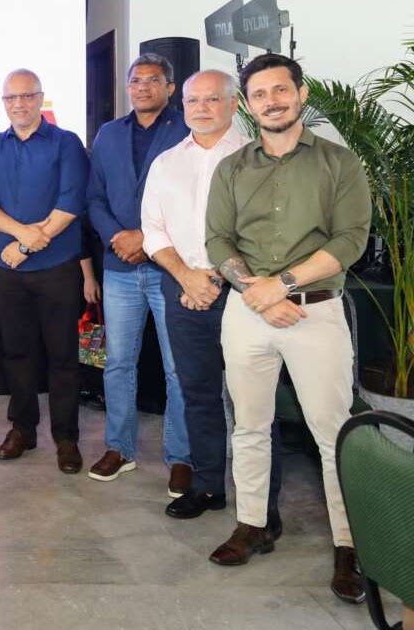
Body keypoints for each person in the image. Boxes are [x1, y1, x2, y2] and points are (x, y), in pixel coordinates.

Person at [205, 53, 371, 604]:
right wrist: (256, 291)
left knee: (333, 432)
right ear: (247, 105)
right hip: (247, 312)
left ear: (300, 94)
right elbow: (218, 241)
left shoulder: (339, 163)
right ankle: (253, 525)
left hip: (315, 312)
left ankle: (352, 546)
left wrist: (283, 284)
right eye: (260, 94)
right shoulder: (231, 168)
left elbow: (350, 240)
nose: (271, 101)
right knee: (249, 425)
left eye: (281, 90)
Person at [141, 70, 286, 527]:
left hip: (245, 294)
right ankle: (207, 486)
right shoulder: (165, 163)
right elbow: (152, 231)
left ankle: (263, 505)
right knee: (198, 394)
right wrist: (188, 278)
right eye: (192, 100)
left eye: (211, 99)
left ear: (233, 104)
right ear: (181, 105)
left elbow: (267, 232)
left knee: (253, 403)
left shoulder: (258, 157)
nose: (200, 108)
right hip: (182, 290)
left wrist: (218, 280)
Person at [86, 53, 193, 496]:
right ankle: (119, 448)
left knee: (177, 367)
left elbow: (193, 203)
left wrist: (144, 239)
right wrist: (118, 238)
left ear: (170, 88)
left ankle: (181, 457)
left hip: (172, 269)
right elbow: (94, 198)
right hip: (120, 268)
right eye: (135, 81)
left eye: (152, 80)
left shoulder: (188, 130)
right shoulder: (109, 134)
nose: (142, 87)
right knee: (118, 363)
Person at [0, 69, 88, 473]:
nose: (19, 104)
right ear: (3, 103)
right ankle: (23, 429)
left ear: (40, 99)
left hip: (56, 268)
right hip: (5, 271)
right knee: (16, 353)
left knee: (62, 356)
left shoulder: (66, 143)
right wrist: (22, 234)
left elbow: (71, 202)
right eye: (11, 98)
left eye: (27, 96)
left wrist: (25, 245)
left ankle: (66, 437)